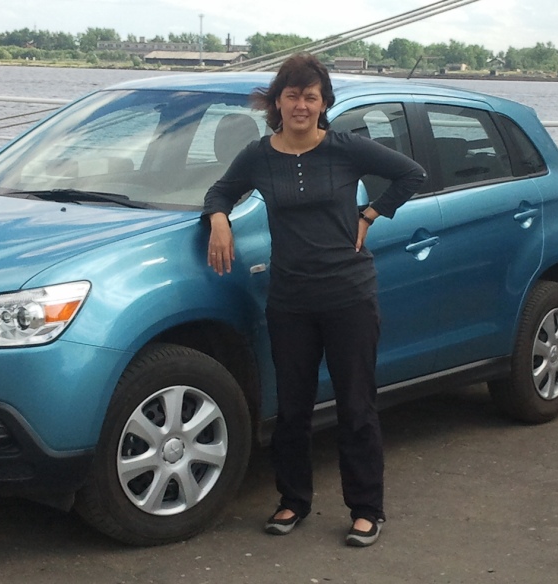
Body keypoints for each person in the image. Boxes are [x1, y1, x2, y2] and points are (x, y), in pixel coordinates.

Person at [202, 53, 426, 547]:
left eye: (310, 96)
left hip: (349, 296)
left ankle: (366, 508)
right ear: (277, 103)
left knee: (356, 405)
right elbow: (219, 192)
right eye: (292, 96)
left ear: (324, 103)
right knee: (293, 408)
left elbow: (412, 174)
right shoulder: (259, 156)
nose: (300, 105)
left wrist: (369, 215)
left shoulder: (345, 148)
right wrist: (219, 219)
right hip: (290, 299)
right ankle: (293, 500)